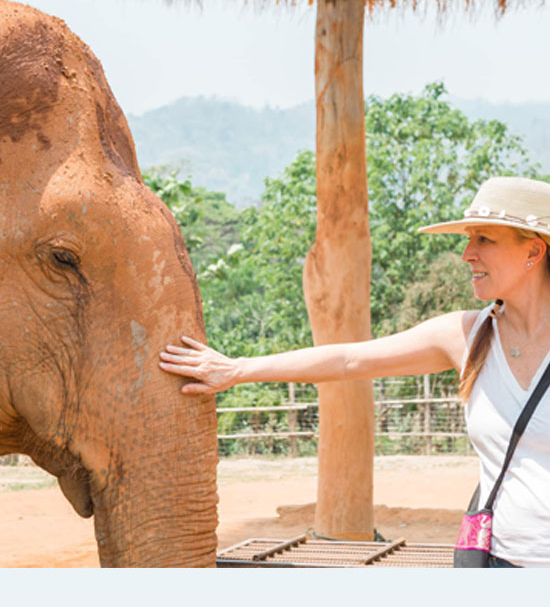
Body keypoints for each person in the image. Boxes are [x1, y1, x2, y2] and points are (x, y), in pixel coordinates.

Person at [159, 176, 550, 568]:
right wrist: (236, 370)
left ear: (533, 251)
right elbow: (350, 360)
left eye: (484, 240)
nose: (467, 254)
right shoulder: (467, 335)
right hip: (498, 560)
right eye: (469, 239)